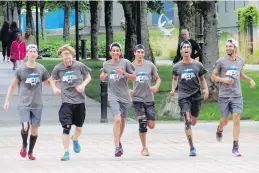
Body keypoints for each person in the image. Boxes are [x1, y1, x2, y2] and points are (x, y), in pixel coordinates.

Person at [4, 44, 51, 160]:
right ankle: (24, 145)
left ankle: (30, 152)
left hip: (37, 103)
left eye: (35, 51)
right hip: (24, 103)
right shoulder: (21, 69)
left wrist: (55, 82)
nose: (33, 53)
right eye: (31, 51)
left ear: (37, 54)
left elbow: (48, 81)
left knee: (34, 129)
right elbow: (12, 85)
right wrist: (7, 100)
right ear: (27, 53)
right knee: (25, 126)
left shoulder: (41, 68)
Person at [211, 38, 256, 157]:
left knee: (236, 117)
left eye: (230, 46)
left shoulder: (241, 61)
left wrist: (249, 79)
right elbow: (213, 76)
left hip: (236, 94)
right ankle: (220, 128)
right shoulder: (221, 61)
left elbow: (240, 73)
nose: (227, 48)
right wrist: (224, 80)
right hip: (224, 95)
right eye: (226, 46)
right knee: (225, 120)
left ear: (235, 48)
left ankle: (235, 147)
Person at [50, 45, 92, 161]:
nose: (68, 61)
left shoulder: (79, 65)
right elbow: (51, 79)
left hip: (79, 101)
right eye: (65, 59)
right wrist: (54, 88)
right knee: (66, 127)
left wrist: (83, 85)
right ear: (62, 58)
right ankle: (66, 152)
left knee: (78, 128)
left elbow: (88, 76)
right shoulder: (58, 68)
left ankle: (75, 139)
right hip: (66, 100)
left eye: (69, 59)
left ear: (72, 57)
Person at [170, 40, 209, 156]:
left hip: (196, 95)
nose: (186, 49)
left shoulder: (198, 65)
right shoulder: (177, 66)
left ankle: (190, 124)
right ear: (181, 51)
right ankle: (192, 147)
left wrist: (206, 89)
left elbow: (202, 79)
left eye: (188, 47)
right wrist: (173, 89)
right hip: (183, 96)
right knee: (187, 121)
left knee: (193, 121)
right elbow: (174, 79)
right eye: (184, 47)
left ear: (191, 50)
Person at [100, 42, 136, 157]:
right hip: (113, 95)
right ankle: (116, 147)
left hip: (125, 95)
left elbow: (134, 77)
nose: (115, 52)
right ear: (110, 52)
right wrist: (103, 75)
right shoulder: (106, 64)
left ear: (120, 52)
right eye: (113, 51)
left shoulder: (125, 63)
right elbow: (105, 71)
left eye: (117, 50)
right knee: (117, 119)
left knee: (123, 120)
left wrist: (124, 73)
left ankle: (118, 141)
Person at [130, 44, 161, 156]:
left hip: (149, 98)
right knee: (142, 123)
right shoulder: (130, 66)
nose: (140, 54)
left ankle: (145, 127)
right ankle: (144, 148)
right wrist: (128, 90)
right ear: (134, 53)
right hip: (137, 99)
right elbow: (122, 80)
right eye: (138, 52)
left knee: (151, 125)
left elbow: (158, 78)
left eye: (142, 52)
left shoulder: (150, 65)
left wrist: (156, 86)